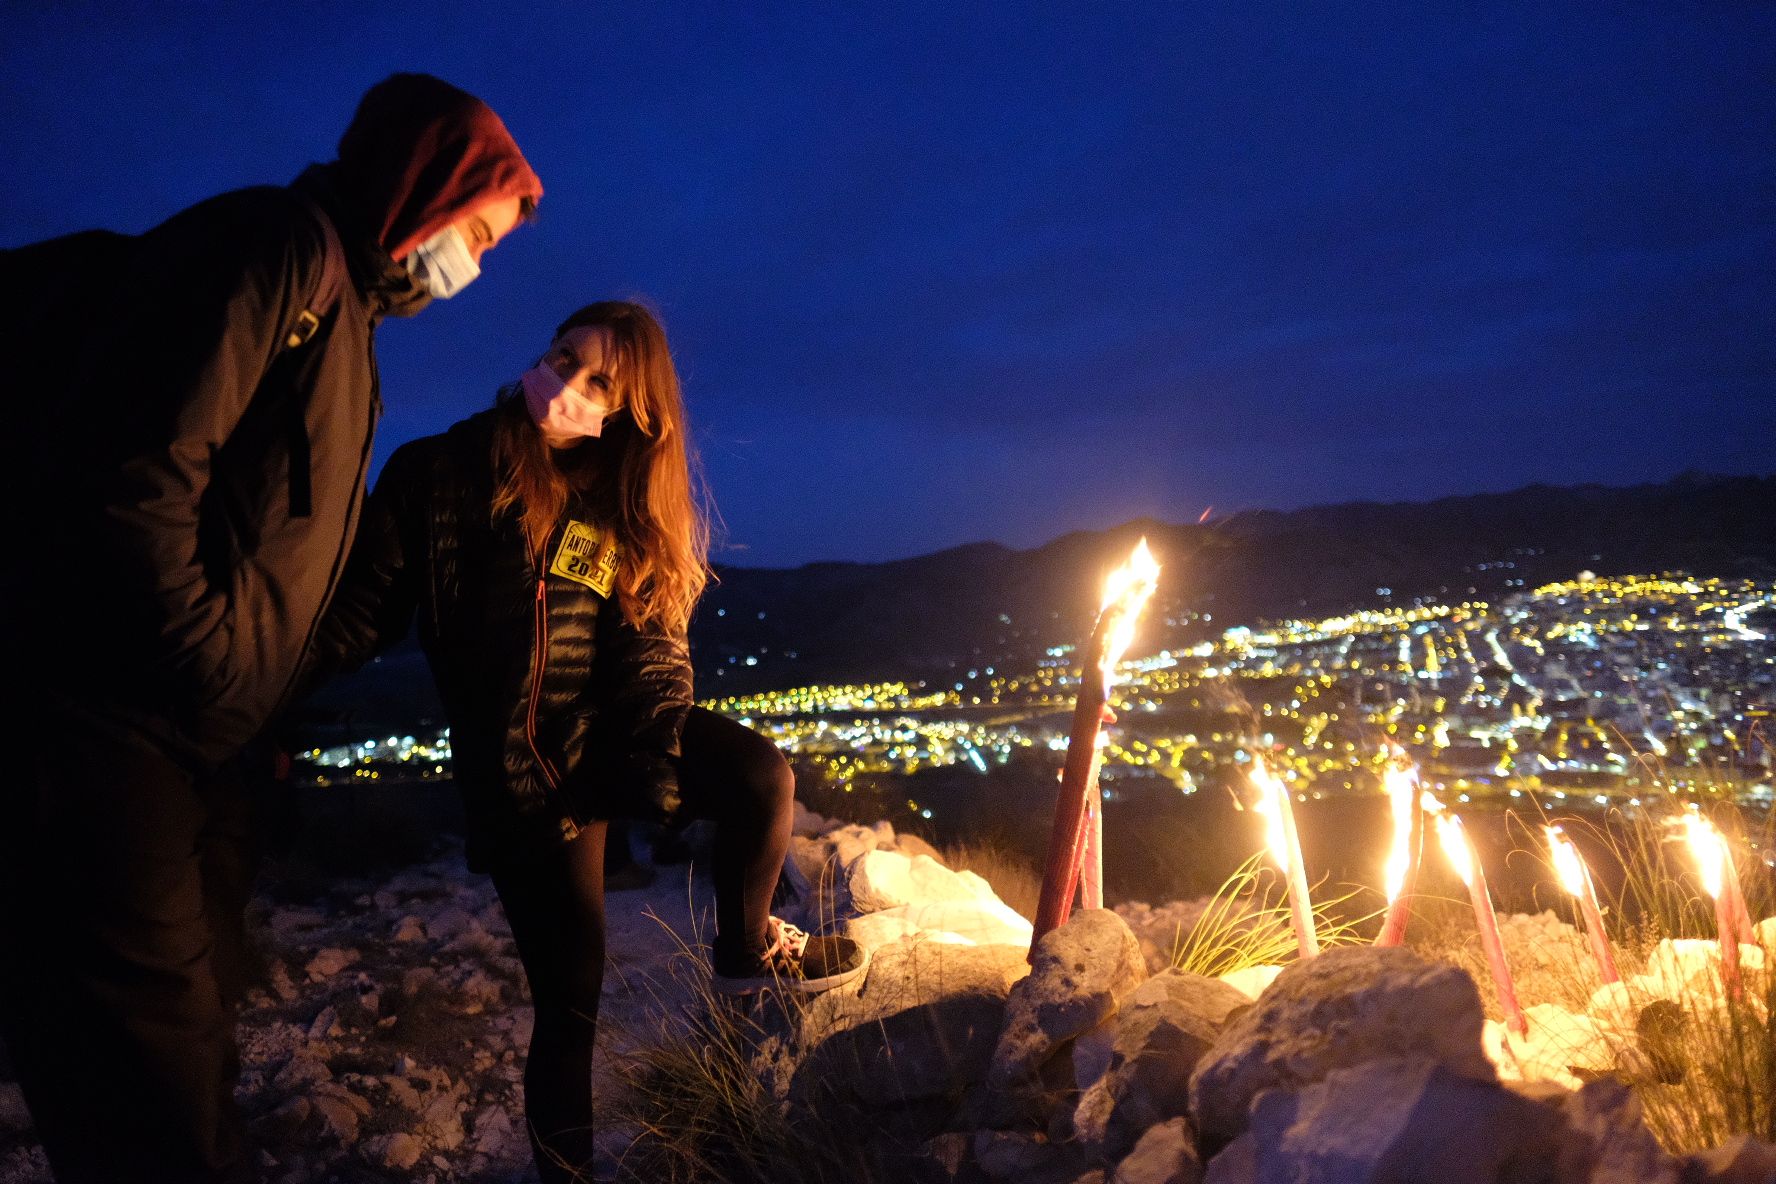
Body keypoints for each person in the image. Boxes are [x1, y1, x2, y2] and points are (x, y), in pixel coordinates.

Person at [0, 74, 543, 1184]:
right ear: (425, 189)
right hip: (116, 728)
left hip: (186, 743)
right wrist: (203, 665)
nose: (473, 267)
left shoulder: (347, 310)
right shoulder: (278, 248)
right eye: (476, 233)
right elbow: (133, 475)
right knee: (150, 1076)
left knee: (161, 1048)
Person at [304, 301, 866, 1183]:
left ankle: (746, 951)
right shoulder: (437, 473)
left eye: (599, 378)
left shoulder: (623, 498)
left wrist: (655, 753)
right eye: (565, 356)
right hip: (526, 779)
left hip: (608, 736)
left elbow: (651, 643)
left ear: (631, 409)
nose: (568, 382)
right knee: (571, 1006)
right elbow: (363, 617)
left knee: (762, 777)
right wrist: (265, 674)